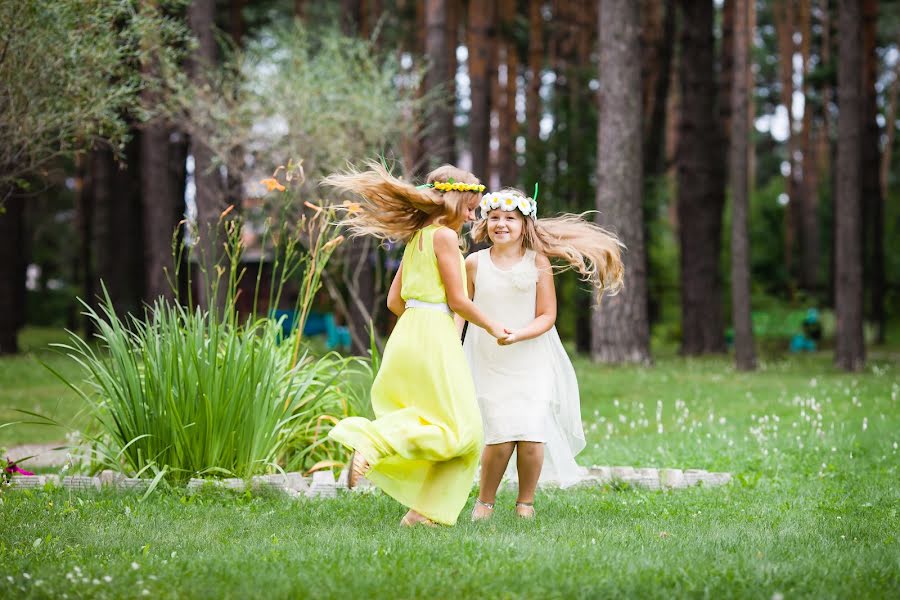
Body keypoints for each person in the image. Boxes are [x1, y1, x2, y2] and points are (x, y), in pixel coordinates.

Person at [324, 162, 508, 527]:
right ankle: (373, 442)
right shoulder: (442, 237)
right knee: (462, 430)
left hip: (409, 331)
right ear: (454, 199)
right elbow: (458, 300)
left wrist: (420, 316)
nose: (476, 211)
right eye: (472, 203)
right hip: (433, 334)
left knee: (455, 430)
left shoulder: (418, 237)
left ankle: (423, 514)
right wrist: (492, 325)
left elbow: (395, 301)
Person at [462, 186, 624, 520]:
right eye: (494, 217)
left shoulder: (537, 261)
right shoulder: (474, 264)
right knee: (501, 436)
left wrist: (519, 334)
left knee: (532, 435)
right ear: (485, 222)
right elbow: (461, 308)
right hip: (489, 359)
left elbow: (547, 315)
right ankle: (485, 502)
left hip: (531, 356)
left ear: (525, 225)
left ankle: (526, 503)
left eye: (510, 218)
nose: (501, 224)